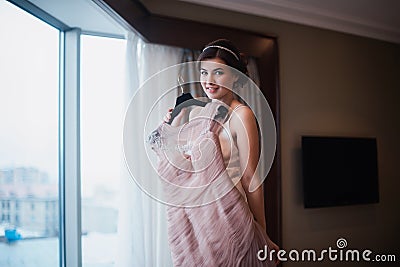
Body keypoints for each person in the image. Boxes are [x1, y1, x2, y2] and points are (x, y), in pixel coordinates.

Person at [164, 39, 279, 263]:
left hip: (230, 216)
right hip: (200, 218)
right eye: (204, 72)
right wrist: (172, 124)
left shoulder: (242, 115)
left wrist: (262, 232)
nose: (209, 80)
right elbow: (183, 169)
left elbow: (250, 177)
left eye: (218, 72)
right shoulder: (197, 113)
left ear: (236, 76)